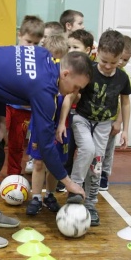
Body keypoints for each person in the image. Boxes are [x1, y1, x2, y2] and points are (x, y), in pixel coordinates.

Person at [0, 45, 92, 249]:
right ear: (66, 74)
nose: (76, 93)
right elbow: (46, 145)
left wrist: (1, 121)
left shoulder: (44, 57)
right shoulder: (44, 89)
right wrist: (68, 182)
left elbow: (1, 80)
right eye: (76, 87)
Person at [56, 29, 131, 226]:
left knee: (97, 162)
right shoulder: (88, 70)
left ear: (120, 59)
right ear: (97, 53)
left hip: (104, 124)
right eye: (104, 61)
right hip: (82, 118)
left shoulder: (122, 78)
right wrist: (63, 122)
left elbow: (125, 103)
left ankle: (90, 203)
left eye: (113, 63)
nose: (107, 66)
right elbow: (70, 95)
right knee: (87, 150)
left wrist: (125, 128)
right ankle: (75, 190)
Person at [25, 34, 69, 215]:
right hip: (40, 125)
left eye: (59, 59)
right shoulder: (39, 79)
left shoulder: (67, 80)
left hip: (59, 126)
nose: (55, 63)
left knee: (55, 163)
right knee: (38, 162)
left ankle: (50, 195)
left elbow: (71, 98)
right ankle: (36, 197)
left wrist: (61, 123)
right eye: (52, 58)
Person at [56, 29, 95, 193]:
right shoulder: (65, 70)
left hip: (93, 119)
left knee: (89, 151)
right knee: (67, 147)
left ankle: (84, 184)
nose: (71, 50)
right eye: (69, 47)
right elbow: (69, 97)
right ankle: (64, 179)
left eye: (75, 47)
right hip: (73, 115)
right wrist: (61, 122)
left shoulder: (94, 70)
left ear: (88, 50)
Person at [6, 15, 44, 176]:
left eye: (36, 43)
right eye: (28, 42)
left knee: (25, 143)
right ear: (19, 35)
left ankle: (20, 173)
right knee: (5, 140)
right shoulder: (10, 56)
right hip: (10, 107)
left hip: (29, 109)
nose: (32, 47)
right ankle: (5, 173)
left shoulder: (42, 59)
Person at [25, 21, 64, 174]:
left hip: (57, 118)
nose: (42, 41)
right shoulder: (37, 62)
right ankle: (32, 159)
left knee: (55, 156)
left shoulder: (63, 68)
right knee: (38, 157)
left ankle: (50, 191)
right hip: (40, 114)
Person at [99, 35, 131, 191]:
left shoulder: (124, 77)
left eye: (125, 60)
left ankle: (104, 175)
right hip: (98, 118)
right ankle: (92, 173)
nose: (121, 63)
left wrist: (119, 122)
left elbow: (124, 101)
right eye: (121, 58)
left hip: (112, 119)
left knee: (108, 149)